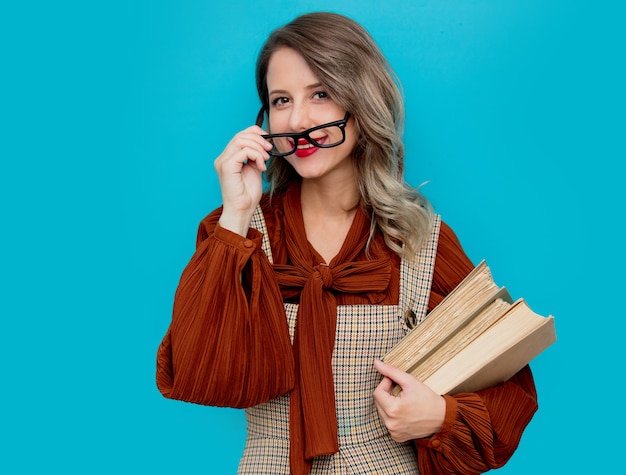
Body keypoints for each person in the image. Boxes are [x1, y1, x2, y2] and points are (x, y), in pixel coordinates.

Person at [156, 11, 538, 475]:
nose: (297, 119)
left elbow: (505, 377)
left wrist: (438, 416)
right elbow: (196, 370)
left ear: (362, 101)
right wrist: (237, 214)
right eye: (281, 100)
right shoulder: (241, 234)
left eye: (321, 93)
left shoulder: (420, 240)